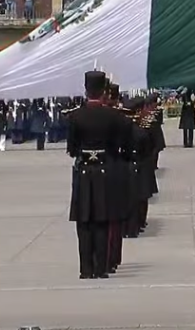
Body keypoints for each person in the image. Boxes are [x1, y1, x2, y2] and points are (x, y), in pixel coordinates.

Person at [67, 70, 129, 279]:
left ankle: (86, 269)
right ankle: (101, 268)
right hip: (105, 170)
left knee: (84, 222)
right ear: (103, 92)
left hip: (84, 172)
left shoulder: (75, 116)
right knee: (102, 220)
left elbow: (72, 148)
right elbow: (122, 143)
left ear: (86, 90)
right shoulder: (113, 116)